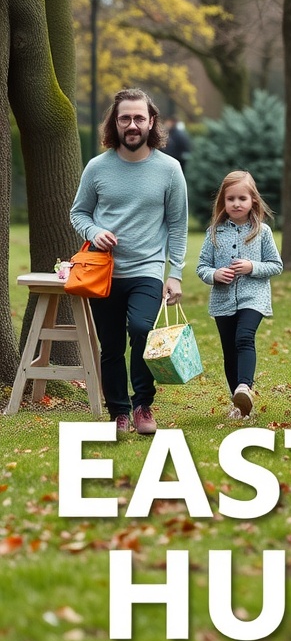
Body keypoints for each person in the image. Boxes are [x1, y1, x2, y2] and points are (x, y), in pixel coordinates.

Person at [70, 88, 188, 436]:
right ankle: (119, 412)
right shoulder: (97, 168)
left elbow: (178, 224)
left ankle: (143, 405)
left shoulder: (169, 169)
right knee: (110, 346)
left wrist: (176, 273)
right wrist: (95, 231)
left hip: (147, 270)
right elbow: (79, 212)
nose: (132, 124)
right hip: (102, 272)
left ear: (151, 121)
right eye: (125, 118)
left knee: (141, 329)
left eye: (139, 117)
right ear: (115, 123)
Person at [197, 170, 283, 419]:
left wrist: (251, 267)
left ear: (253, 200)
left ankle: (245, 386)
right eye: (230, 198)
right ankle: (239, 404)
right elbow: (202, 266)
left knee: (244, 337)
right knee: (229, 349)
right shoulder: (214, 232)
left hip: (253, 297)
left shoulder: (262, 232)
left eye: (242, 198)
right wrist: (214, 274)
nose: (236, 203)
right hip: (222, 300)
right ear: (223, 202)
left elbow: (276, 265)